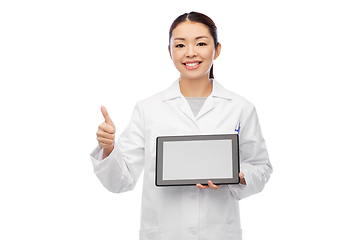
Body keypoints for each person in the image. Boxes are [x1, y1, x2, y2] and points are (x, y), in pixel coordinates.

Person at [90, 12, 272, 240]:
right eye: (180, 45)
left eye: (201, 43)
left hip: (217, 233)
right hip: (164, 233)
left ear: (217, 50)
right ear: (170, 52)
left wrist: (236, 175)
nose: (190, 52)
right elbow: (120, 181)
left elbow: (262, 167)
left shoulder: (240, 108)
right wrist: (108, 148)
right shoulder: (148, 109)